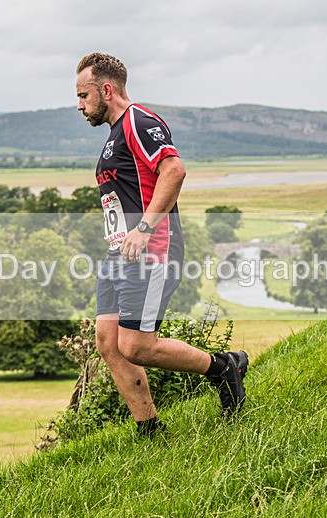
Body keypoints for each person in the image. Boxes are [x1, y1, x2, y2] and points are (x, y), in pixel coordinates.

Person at [75, 52, 249, 437]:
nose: (80, 105)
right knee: (108, 342)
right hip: (119, 252)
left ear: (107, 89)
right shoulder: (114, 134)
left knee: (137, 346)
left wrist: (144, 228)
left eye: (84, 95)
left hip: (151, 250)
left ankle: (224, 368)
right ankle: (150, 430)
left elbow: (174, 169)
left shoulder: (138, 121)